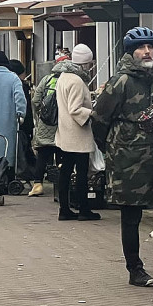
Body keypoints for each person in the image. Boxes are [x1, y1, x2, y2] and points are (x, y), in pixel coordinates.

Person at [93, 27, 153, 286]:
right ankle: (135, 270)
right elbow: (98, 119)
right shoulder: (120, 81)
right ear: (131, 52)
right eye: (142, 47)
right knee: (131, 215)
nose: (147, 51)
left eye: (150, 46)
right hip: (128, 159)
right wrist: (115, 146)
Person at [55, 44, 99, 222]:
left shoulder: (63, 77)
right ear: (85, 63)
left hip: (65, 131)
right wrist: (93, 113)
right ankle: (83, 209)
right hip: (77, 134)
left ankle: (64, 209)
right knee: (81, 173)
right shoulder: (77, 81)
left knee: (65, 171)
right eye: (90, 63)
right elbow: (75, 109)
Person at [0, 50, 26, 174]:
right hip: (8, 120)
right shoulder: (13, 78)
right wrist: (21, 114)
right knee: (8, 147)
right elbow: (20, 98)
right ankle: (8, 174)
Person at [28, 62, 64, 197]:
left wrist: (40, 115)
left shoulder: (47, 80)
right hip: (62, 124)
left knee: (42, 155)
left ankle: (37, 184)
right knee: (62, 155)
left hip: (46, 123)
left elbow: (35, 100)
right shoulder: (67, 81)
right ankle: (61, 185)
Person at [8, 59, 36, 181]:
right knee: (22, 150)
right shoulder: (20, 86)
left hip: (13, 124)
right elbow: (26, 108)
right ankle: (25, 173)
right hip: (22, 124)